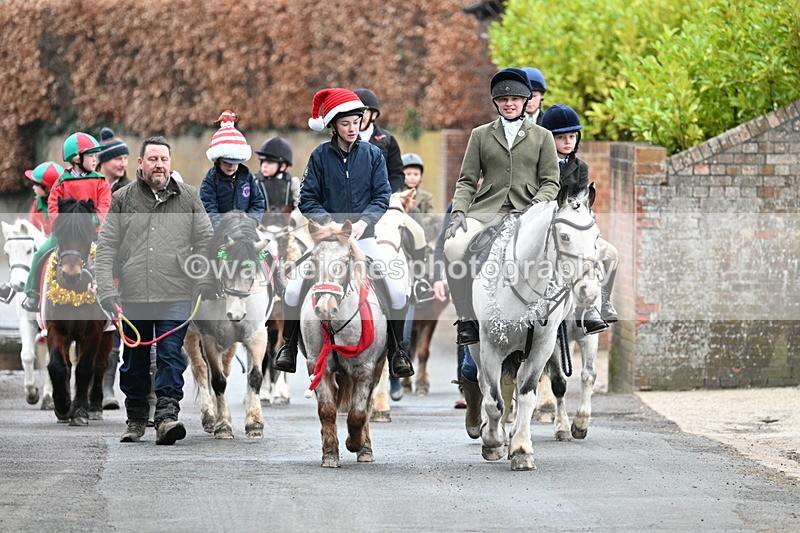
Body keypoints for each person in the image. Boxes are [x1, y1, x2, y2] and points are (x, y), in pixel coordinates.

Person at [274, 87, 414, 378]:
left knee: (398, 290)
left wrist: (363, 222)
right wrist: (329, 226)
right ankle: (288, 345)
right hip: (328, 241)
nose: (353, 128)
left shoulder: (374, 155)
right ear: (333, 126)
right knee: (293, 287)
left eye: (357, 122)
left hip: (365, 238)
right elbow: (307, 199)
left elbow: (382, 195)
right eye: (346, 123)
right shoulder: (319, 156)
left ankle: (397, 349)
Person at [95, 135, 214, 445]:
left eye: (163, 159)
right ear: (141, 163)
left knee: (171, 357)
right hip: (133, 295)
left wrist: (203, 278)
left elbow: (205, 240)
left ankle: (166, 417)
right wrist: (106, 289)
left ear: (170, 164)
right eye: (153, 159)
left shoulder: (188, 197)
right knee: (134, 361)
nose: (159, 164)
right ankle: (135, 417)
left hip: (175, 293)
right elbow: (106, 245)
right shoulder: (123, 198)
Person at [443, 67, 561, 345]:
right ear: (496, 103)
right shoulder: (480, 135)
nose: (509, 104)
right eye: (503, 100)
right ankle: (466, 319)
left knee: (565, 249)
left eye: (515, 99)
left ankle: (563, 316)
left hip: (528, 213)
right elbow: (466, 180)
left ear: (525, 102)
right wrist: (459, 210)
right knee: (453, 247)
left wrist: (535, 206)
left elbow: (551, 182)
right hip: (487, 211)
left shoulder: (543, 136)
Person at [541, 104, 618, 325]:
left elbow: (580, 199)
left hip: (571, 225)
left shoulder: (581, 167)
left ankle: (600, 302)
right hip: (546, 224)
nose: (568, 142)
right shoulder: (540, 164)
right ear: (549, 140)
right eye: (561, 137)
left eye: (572, 136)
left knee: (611, 253)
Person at [21, 133, 112, 312]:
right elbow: (53, 204)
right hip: (65, 233)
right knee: (40, 254)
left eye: (96, 155)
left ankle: (114, 297)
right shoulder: (61, 181)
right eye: (91, 155)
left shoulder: (101, 181)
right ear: (77, 158)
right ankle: (33, 294)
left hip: (92, 231)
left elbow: (105, 206)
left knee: (111, 257)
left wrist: (92, 221)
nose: (95, 159)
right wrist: (62, 223)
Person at [0, 161, 62, 304]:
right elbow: (31, 226)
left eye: (36, 184)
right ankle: (13, 286)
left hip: (58, 243)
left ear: (46, 188)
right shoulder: (37, 202)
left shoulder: (61, 203)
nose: (33, 187)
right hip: (40, 243)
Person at [200, 110, 265, 228]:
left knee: (269, 246)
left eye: (235, 163)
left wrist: (251, 222)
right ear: (218, 159)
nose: (231, 166)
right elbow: (208, 207)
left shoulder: (247, 176)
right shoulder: (210, 179)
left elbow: (258, 202)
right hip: (220, 230)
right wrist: (220, 227)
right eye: (227, 162)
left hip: (245, 227)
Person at [353, 88, 405, 192]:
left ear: (374, 114)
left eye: (363, 112)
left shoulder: (388, 140)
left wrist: (390, 196)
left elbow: (396, 174)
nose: (359, 117)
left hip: (380, 198)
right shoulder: (342, 140)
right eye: (355, 112)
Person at [253, 136, 300, 227]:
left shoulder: (292, 183)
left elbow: (300, 205)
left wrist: (293, 219)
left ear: (282, 166)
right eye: (262, 161)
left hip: (287, 230)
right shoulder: (255, 183)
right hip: (261, 230)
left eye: (269, 162)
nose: (264, 166)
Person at [97, 127, 131, 192]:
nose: (124, 164)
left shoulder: (132, 190)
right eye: (118, 159)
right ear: (103, 160)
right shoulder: (88, 185)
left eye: (125, 158)